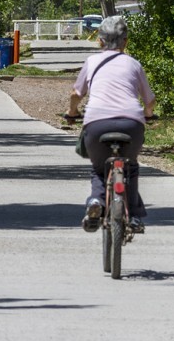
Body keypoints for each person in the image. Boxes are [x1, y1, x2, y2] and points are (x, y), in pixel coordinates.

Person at [65, 15, 156, 234]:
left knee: (99, 169)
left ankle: (96, 201)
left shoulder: (91, 62)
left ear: (100, 41)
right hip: (131, 125)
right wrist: (148, 114)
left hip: (97, 124)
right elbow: (150, 100)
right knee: (130, 168)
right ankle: (134, 216)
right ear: (125, 41)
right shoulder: (134, 64)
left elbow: (76, 94)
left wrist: (72, 112)